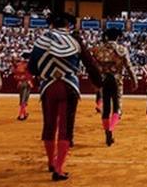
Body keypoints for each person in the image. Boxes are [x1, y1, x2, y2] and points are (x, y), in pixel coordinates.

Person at [28, 13, 101, 182]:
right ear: (68, 25)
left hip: (48, 86)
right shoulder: (74, 40)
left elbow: (32, 67)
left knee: (49, 125)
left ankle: (51, 162)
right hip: (69, 85)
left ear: (51, 25)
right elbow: (90, 64)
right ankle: (59, 169)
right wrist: (97, 82)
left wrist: (46, 72)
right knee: (65, 127)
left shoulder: (42, 40)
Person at [91, 28, 138, 146]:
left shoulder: (98, 50)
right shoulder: (122, 49)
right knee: (117, 108)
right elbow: (128, 66)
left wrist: (95, 81)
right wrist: (134, 80)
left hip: (104, 81)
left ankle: (107, 131)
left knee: (106, 109)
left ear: (106, 37)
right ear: (118, 37)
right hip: (116, 81)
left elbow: (94, 67)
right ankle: (111, 129)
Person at [13, 52, 34, 121]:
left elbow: (15, 74)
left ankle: (24, 113)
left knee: (22, 99)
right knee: (24, 100)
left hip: (20, 83)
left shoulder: (19, 65)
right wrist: (29, 82)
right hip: (26, 83)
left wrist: (19, 81)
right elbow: (29, 74)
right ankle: (21, 115)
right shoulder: (29, 65)